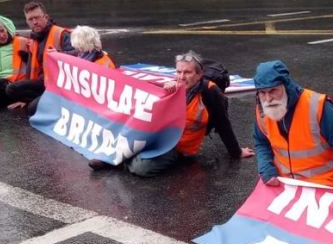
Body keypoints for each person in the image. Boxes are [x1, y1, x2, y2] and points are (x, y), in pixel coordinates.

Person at [89, 50, 253, 176]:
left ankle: (120, 162)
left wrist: (236, 152)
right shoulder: (173, 86)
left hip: (179, 147)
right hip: (158, 136)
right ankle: (110, 159)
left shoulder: (211, 92)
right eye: (178, 72)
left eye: (187, 72)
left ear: (199, 75)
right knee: (129, 130)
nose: (181, 77)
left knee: (142, 169)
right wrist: (165, 94)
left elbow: (224, 124)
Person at [253, 60, 333, 190]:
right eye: (262, 92)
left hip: (323, 187)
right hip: (285, 186)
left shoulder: (319, 106)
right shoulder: (262, 110)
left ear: (286, 86)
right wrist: (266, 169)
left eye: (273, 90)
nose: (268, 99)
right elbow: (261, 141)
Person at [6, 3, 107, 109]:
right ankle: (38, 99)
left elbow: (79, 57)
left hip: (60, 85)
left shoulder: (62, 34)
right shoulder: (34, 39)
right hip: (43, 82)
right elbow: (31, 68)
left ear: (46, 17)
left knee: (32, 108)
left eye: (37, 18)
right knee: (11, 89)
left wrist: (58, 54)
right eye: (30, 19)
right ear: (27, 21)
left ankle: (43, 100)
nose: (35, 22)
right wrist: (22, 98)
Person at [14, 25, 116, 116]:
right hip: (73, 95)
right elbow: (73, 54)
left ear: (84, 45)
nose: (77, 49)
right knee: (33, 107)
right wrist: (58, 53)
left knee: (33, 108)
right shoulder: (87, 53)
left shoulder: (98, 63)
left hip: (84, 99)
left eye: (79, 47)